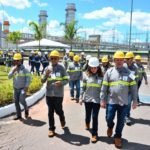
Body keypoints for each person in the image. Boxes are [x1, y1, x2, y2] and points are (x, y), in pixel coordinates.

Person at [100, 51, 137, 148]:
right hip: (111, 101)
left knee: (121, 121)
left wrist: (135, 101)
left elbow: (134, 87)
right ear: (114, 61)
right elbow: (104, 87)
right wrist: (102, 99)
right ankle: (110, 126)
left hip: (124, 102)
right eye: (117, 60)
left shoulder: (129, 73)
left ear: (123, 60)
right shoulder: (109, 72)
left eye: (121, 59)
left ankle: (117, 137)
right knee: (108, 118)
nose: (119, 61)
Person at [41, 50, 68, 138]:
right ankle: (51, 129)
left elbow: (67, 79)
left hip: (58, 94)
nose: (53, 60)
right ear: (50, 58)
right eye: (52, 58)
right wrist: (46, 74)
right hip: (49, 94)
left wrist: (61, 83)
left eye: (55, 58)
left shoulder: (62, 68)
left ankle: (62, 117)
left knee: (58, 110)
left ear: (58, 59)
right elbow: (42, 80)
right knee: (50, 112)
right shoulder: (47, 68)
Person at [80, 57, 103, 143]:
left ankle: (94, 134)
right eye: (92, 68)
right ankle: (87, 122)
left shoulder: (101, 76)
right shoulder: (85, 75)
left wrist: (103, 99)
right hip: (88, 99)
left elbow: (103, 89)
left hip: (97, 100)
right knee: (88, 114)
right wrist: (80, 97)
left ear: (98, 67)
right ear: (89, 67)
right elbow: (83, 87)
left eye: (95, 67)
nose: (93, 69)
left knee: (95, 117)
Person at [8, 53, 31, 120]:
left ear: (21, 60)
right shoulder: (13, 69)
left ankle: (26, 108)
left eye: (18, 60)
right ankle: (19, 115)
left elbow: (28, 78)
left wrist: (26, 87)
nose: (16, 62)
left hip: (22, 89)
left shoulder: (25, 69)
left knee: (22, 100)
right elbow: (9, 77)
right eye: (15, 60)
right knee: (16, 102)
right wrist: (13, 71)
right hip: (15, 88)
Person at [124, 51, 139, 125]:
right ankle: (122, 115)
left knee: (128, 104)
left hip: (130, 89)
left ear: (132, 59)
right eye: (126, 58)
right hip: (123, 89)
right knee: (122, 103)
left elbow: (135, 79)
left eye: (128, 58)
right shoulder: (123, 66)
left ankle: (127, 116)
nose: (127, 60)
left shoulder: (135, 68)